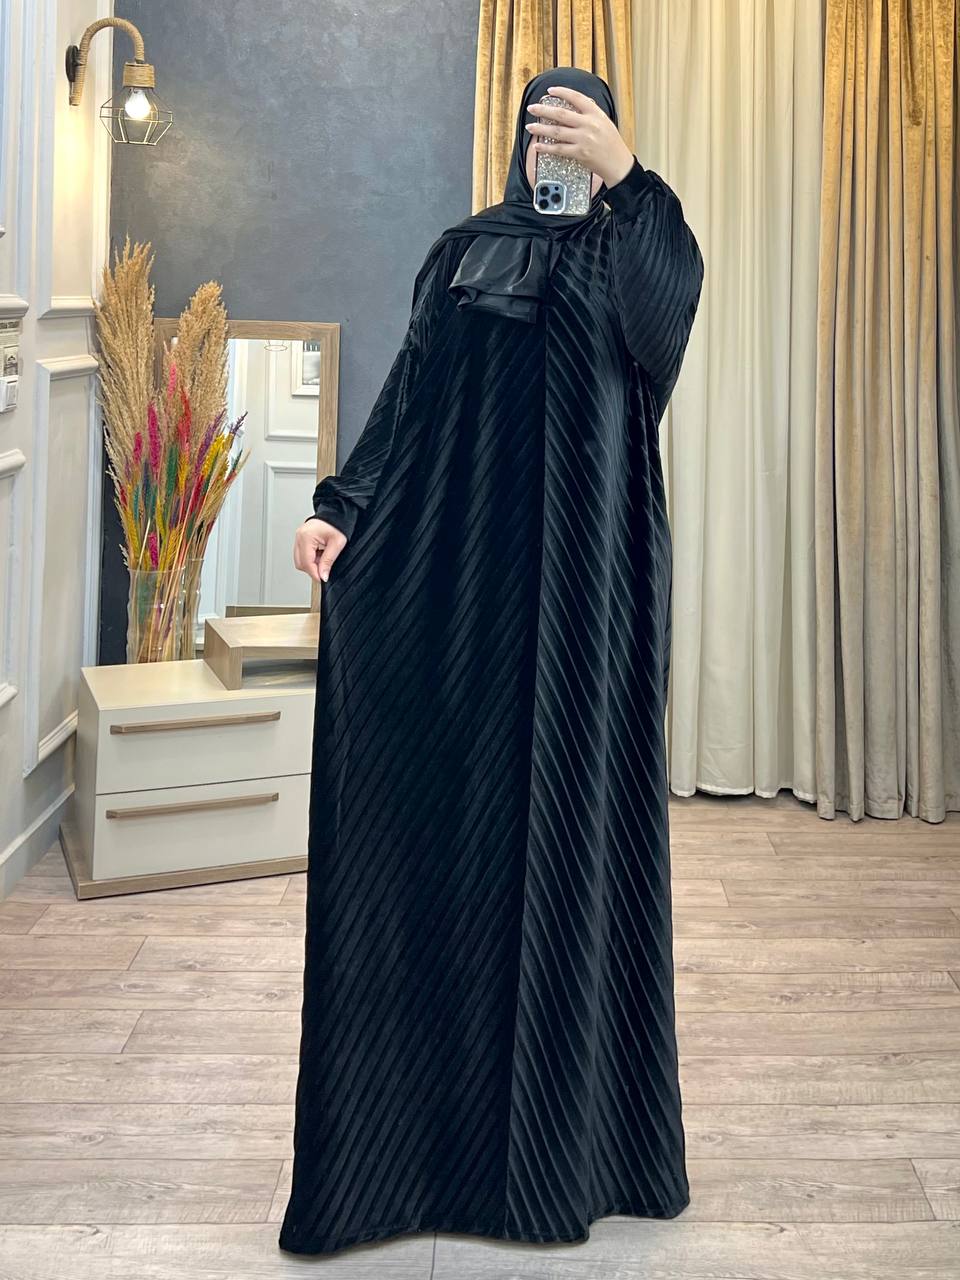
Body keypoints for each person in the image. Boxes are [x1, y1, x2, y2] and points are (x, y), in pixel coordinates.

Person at [279, 65, 704, 1257]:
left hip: (588, 605)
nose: (553, 149)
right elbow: (411, 398)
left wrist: (630, 182)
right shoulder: (466, 251)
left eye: (578, 130)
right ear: (515, 142)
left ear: (607, 137)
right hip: (462, 598)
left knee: (574, 849)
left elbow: (665, 336)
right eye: (540, 130)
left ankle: (583, 1152)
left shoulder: (640, 249)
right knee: (455, 848)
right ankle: (420, 1154)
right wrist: (343, 508)